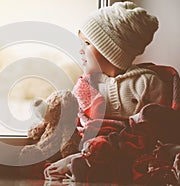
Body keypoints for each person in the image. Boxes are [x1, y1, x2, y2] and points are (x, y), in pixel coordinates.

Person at [44, 1, 168, 180]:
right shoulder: (86, 86)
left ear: (111, 50)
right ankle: (81, 163)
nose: (80, 50)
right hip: (90, 146)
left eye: (87, 43)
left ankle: (86, 164)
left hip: (130, 150)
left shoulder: (147, 82)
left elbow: (158, 126)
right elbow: (79, 124)